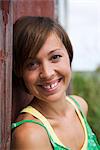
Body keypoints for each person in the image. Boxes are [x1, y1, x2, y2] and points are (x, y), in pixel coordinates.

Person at [11, 16, 99, 150]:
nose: (47, 73)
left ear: (69, 55)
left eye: (55, 57)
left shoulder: (79, 106)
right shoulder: (30, 135)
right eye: (32, 64)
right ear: (20, 71)